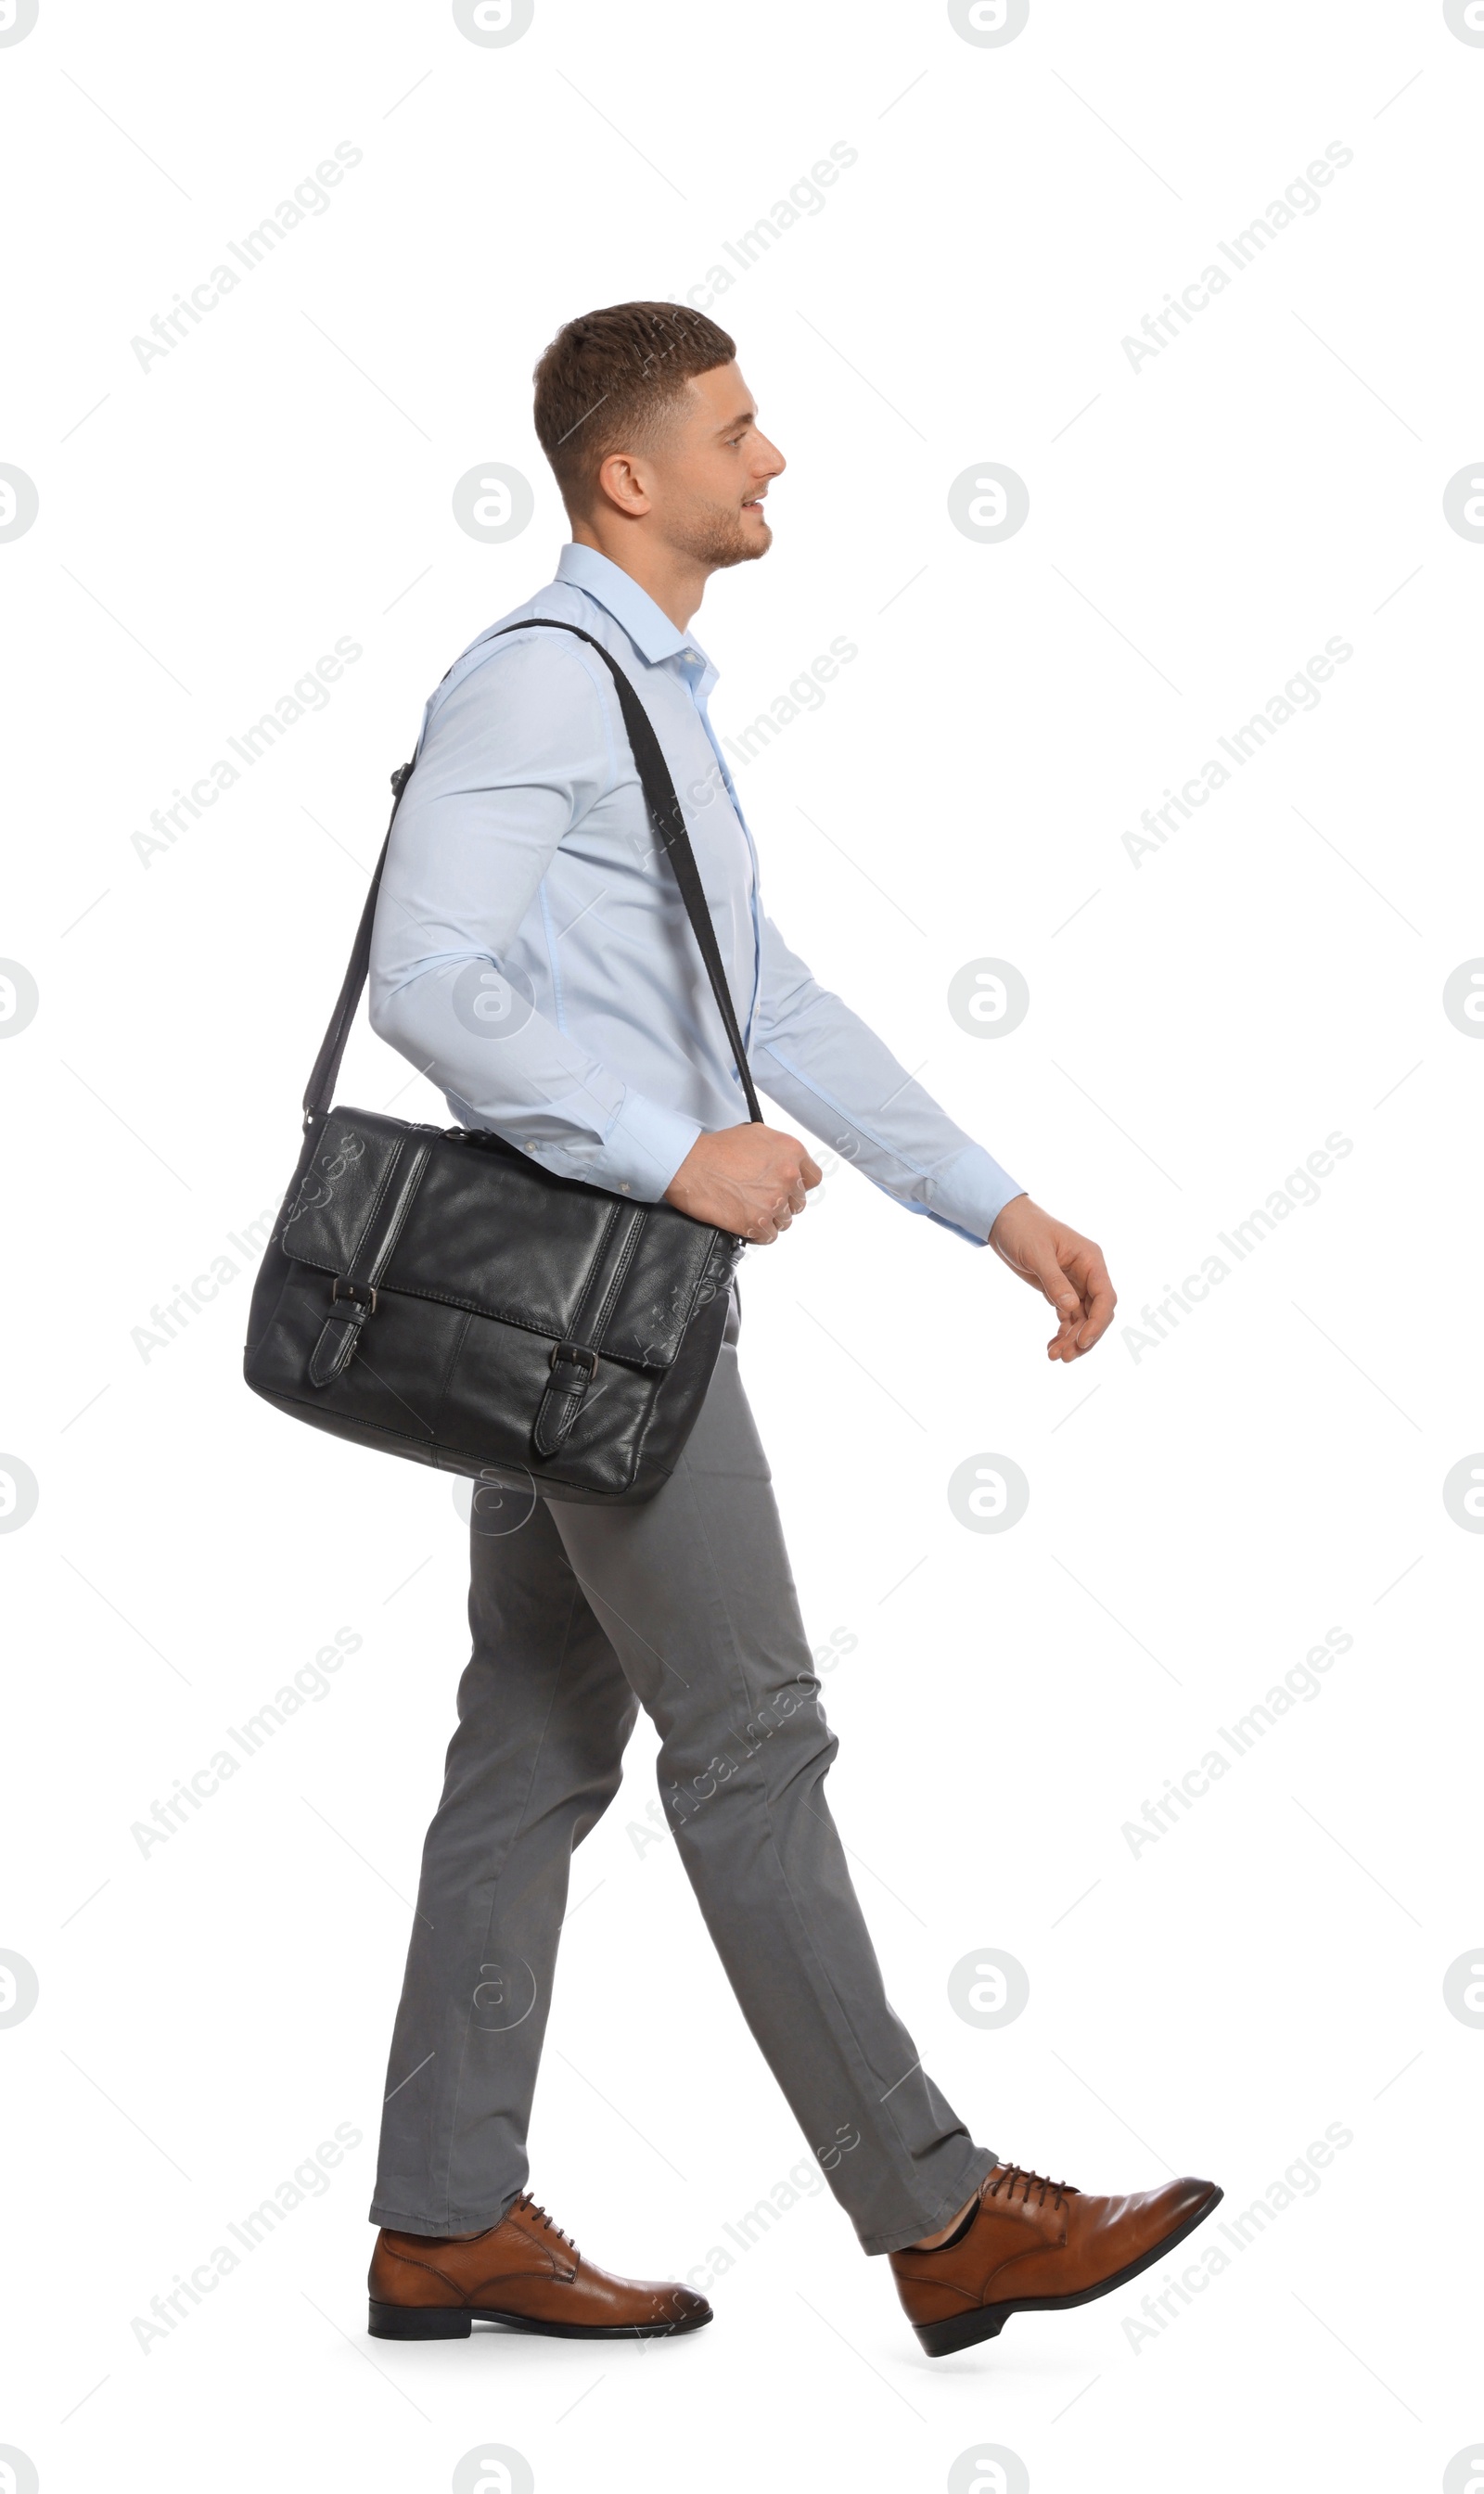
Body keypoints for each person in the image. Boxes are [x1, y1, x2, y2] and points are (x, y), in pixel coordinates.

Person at [362, 301, 1220, 2359]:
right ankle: (939, 2217)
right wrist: (672, 1157)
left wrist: (990, 1204)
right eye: (738, 431)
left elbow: (772, 1001)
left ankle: (440, 2219)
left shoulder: (651, 702)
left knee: (533, 1744)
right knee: (747, 1740)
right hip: (597, 1305)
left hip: (576, 1301)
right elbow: (423, 975)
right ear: (625, 475)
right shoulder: (540, 689)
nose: (776, 460)